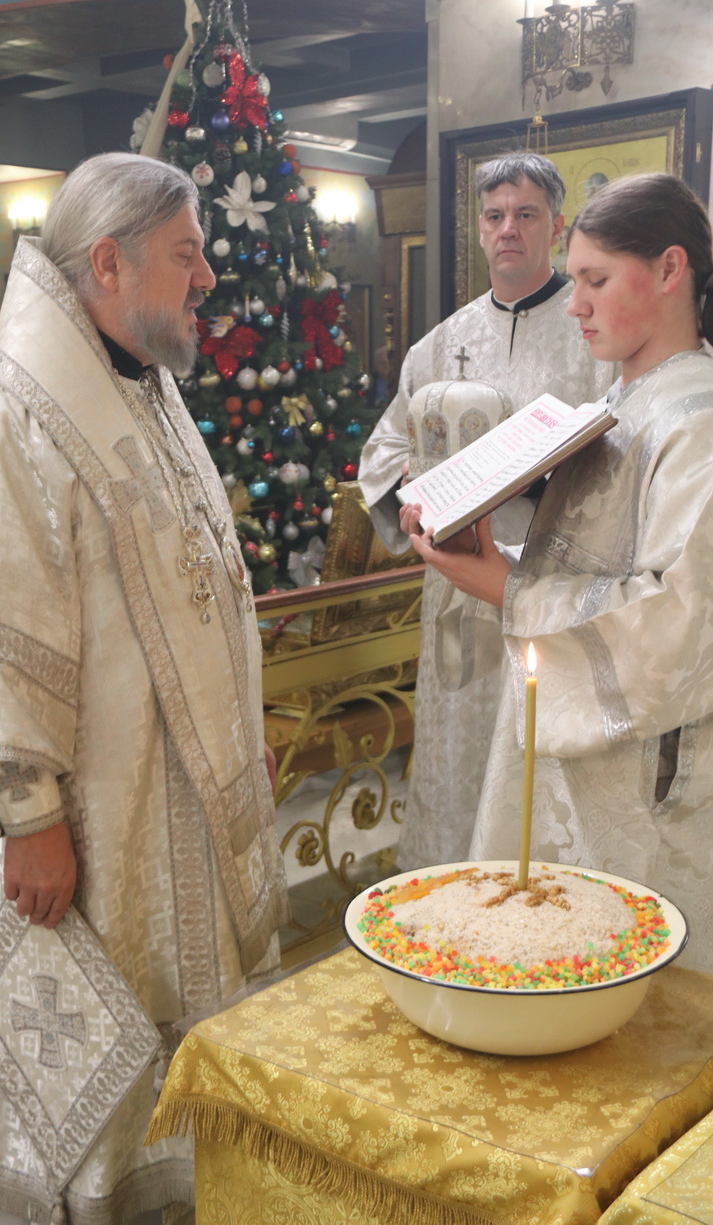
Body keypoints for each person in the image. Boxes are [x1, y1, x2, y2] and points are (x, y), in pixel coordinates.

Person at [0, 153, 288, 1225]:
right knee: (97, 1074)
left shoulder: (147, 391)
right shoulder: (7, 421)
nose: (208, 278)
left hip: (181, 798)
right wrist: (27, 816)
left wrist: (241, 729)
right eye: (188, 255)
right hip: (85, 823)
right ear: (109, 263)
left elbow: (205, 589)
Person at [404, 172, 713, 973]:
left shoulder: (698, 421)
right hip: (568, 752)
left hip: (642, 786)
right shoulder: (627, 402)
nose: (574, 305)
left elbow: (676, 626)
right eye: (574, 281)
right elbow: (587, 563)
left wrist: (508, 590)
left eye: (595, 281)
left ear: (670, 269)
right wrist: (495, 557)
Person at [359, 151, 616, 869]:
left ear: (557, 227)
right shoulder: (440, 345)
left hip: (546, 579)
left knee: (535, 762)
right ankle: (451, 893)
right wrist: (415, 490)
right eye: (496, 215)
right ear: (479, 228)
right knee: (458, 756)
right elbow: (383, 449)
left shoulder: (592, 335)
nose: (509, 229)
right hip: (453, 595)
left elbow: (618, 447)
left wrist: (537, 479)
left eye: (526, 214)